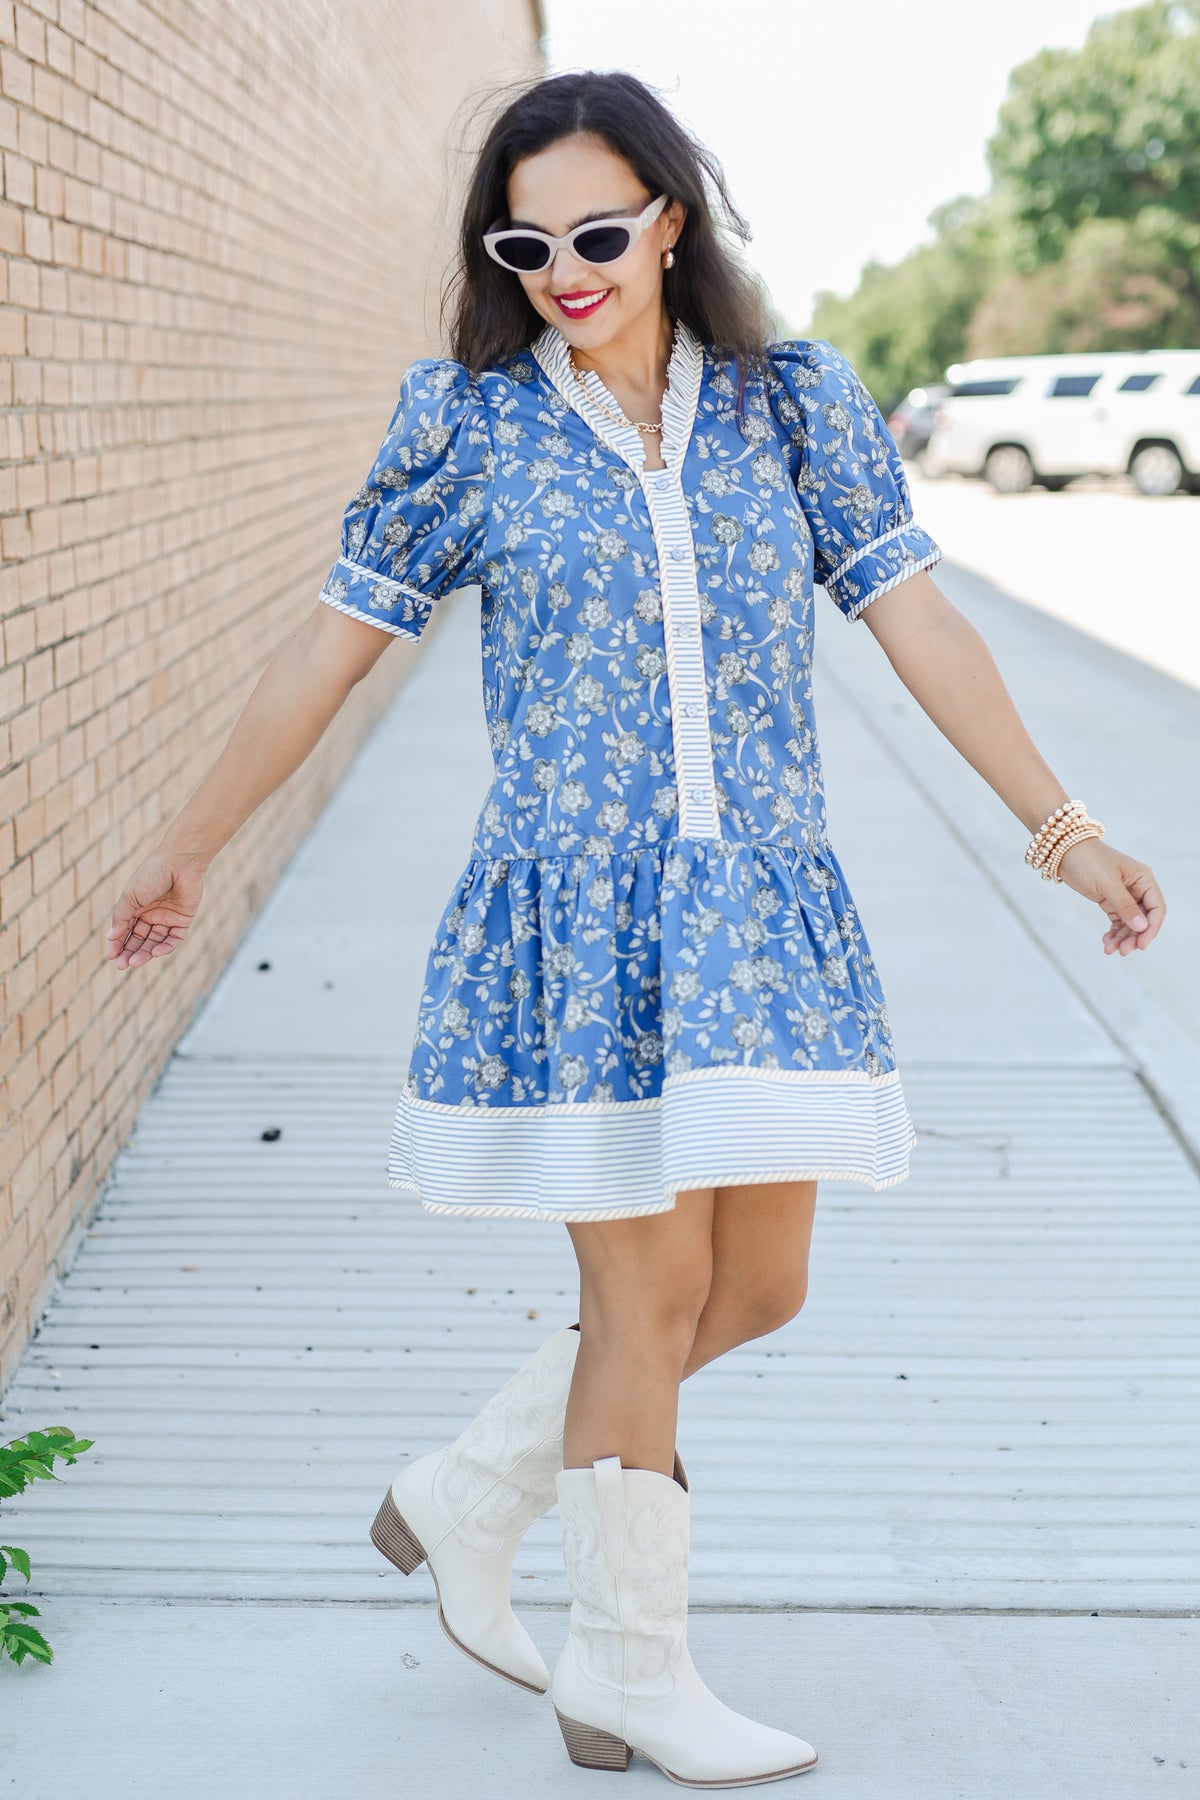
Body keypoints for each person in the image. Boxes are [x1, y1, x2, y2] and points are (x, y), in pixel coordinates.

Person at [104, 69, 1166, 1791]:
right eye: (527, 243)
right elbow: (331, 645)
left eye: (600, 231)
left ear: (672, 217)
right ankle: (627, 1673)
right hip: (574, 926)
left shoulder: (792, 403)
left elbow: (921, 621)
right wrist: (188, 845)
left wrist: (1065, 829)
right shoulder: (467, 424)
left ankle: (468, 1495)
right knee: (651, 1280)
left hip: (760, 910)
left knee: (758, 1284)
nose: (565, 268)